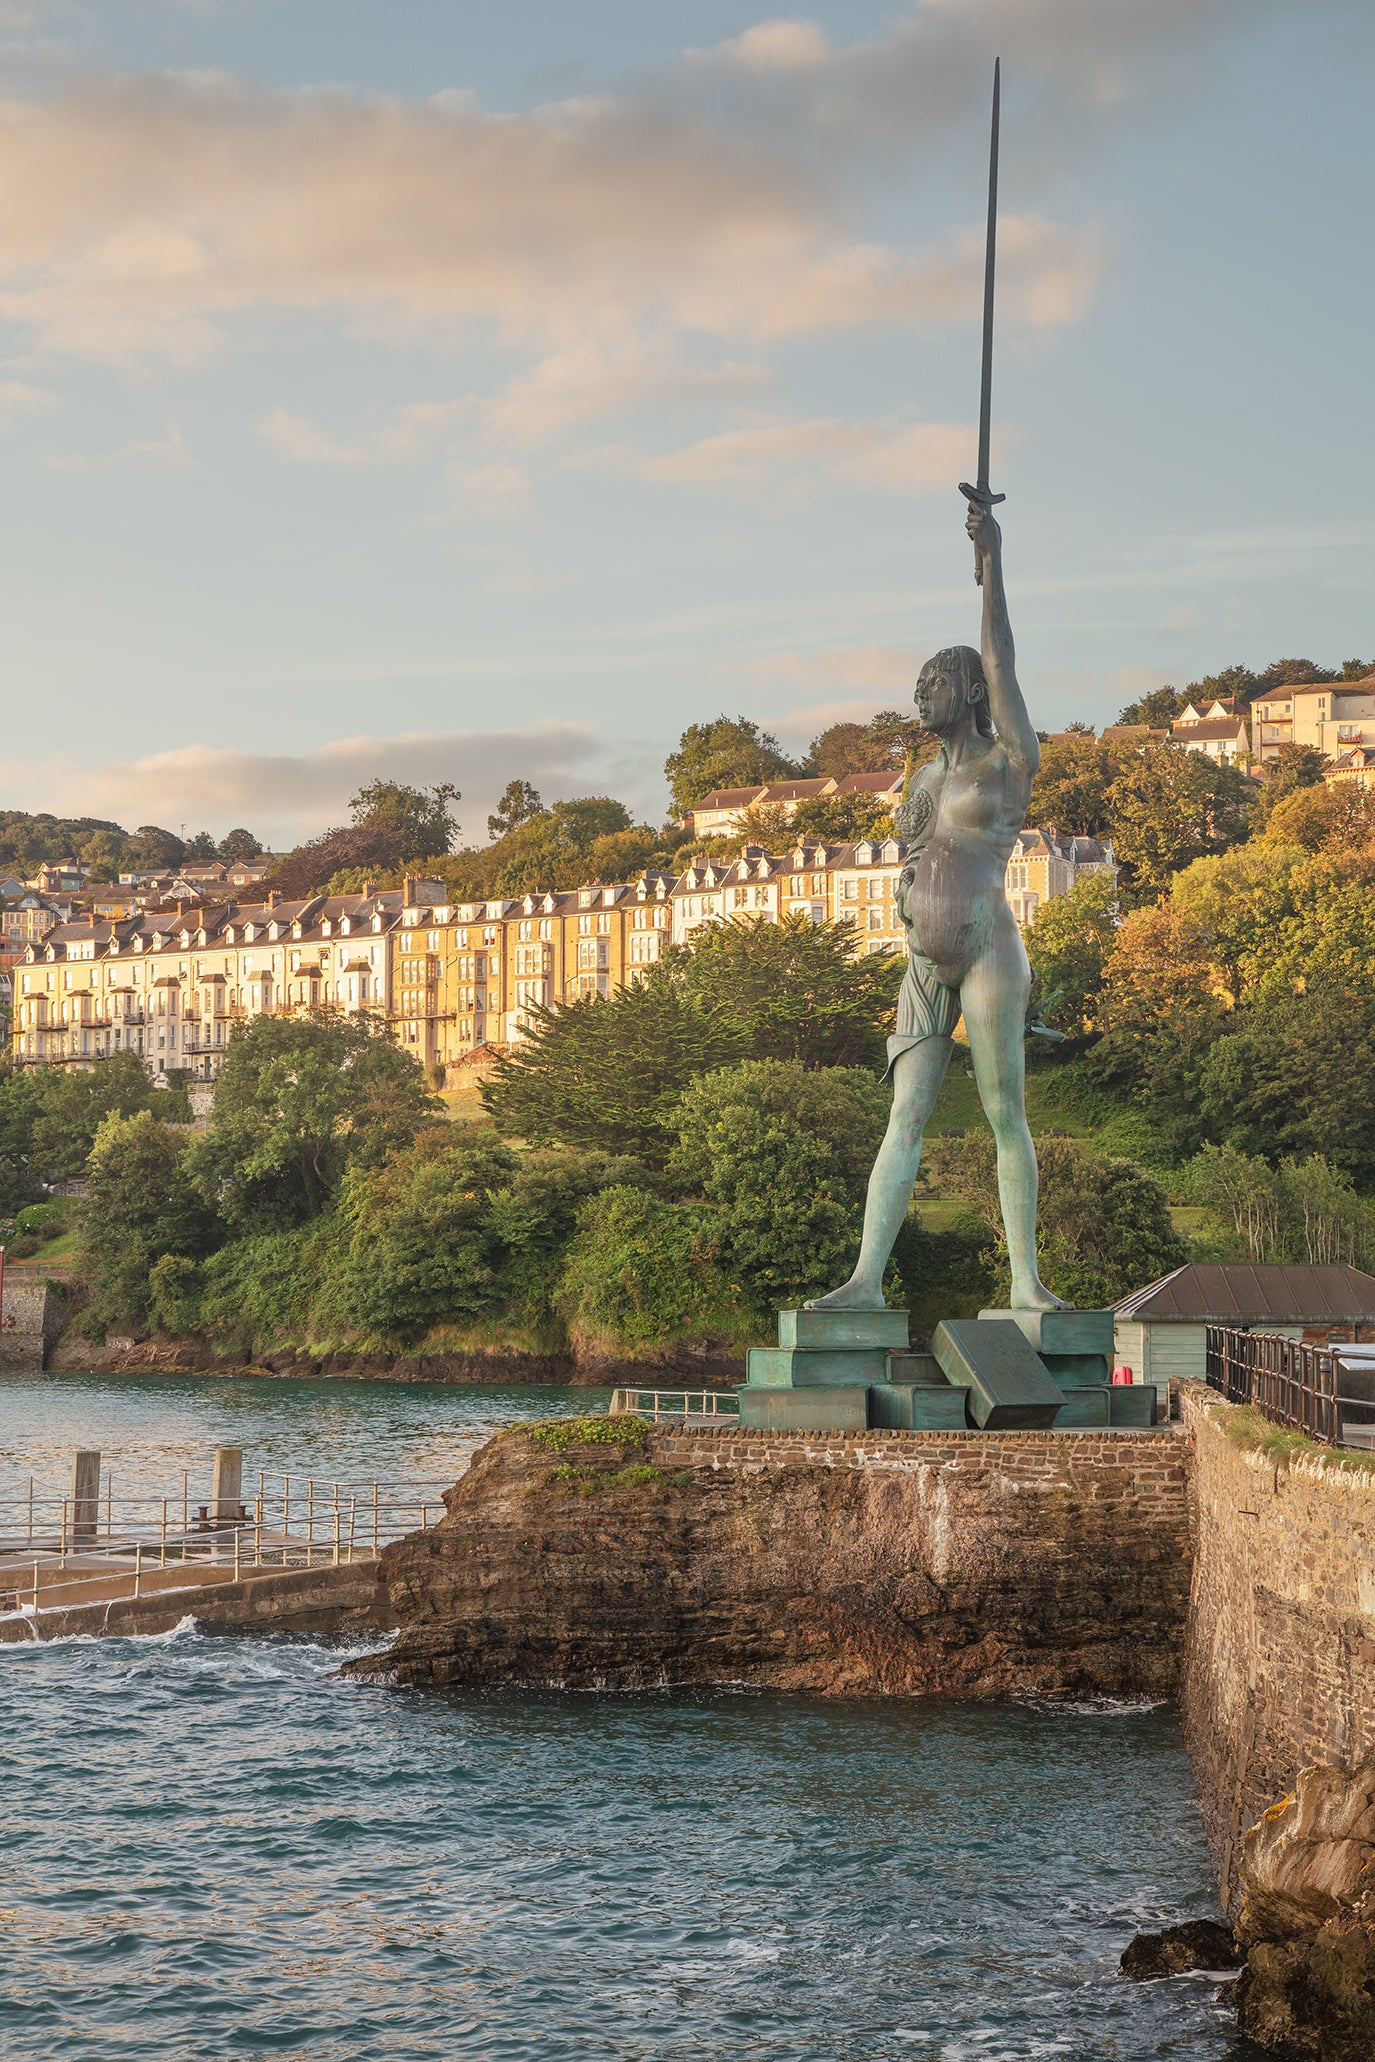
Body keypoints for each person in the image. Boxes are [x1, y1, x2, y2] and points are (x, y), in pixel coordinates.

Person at [805, 492, 1066, 1313]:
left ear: (965, 689)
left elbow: (1004, 661)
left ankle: (1025, 1285)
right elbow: (913, 858)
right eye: (917, 683)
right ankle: (862, 1283)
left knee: (1001, 1113)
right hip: (922, 959)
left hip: (988, 944)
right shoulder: (918, 781)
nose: (920, 694)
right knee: (902, 1118)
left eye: (933, 682)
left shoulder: (1006, 764)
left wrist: (990, 563)